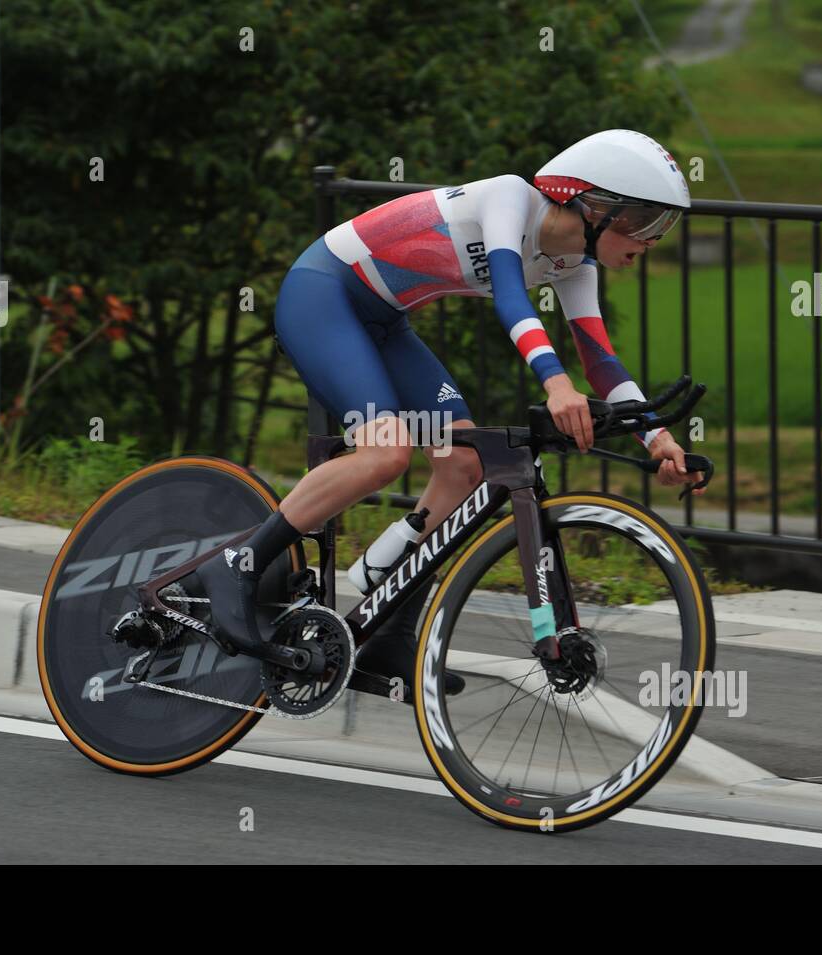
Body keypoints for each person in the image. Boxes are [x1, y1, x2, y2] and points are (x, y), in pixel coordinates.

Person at [196, 129, 707, 693]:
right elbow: (510, 295)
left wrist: (658, 439)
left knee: (464, 466)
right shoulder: (510, 198)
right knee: (386, 453)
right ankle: (238, 564)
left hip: (384, 322)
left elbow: (602, 362)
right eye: (646, 221)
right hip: (323, 295)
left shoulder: (572, 264)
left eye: (664, 226)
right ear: (595, 206)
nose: (654, 240)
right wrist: (555, 383)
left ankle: (391, 632)